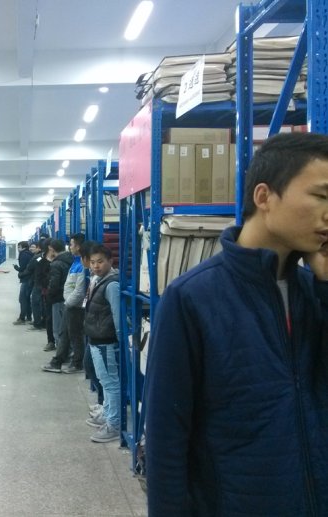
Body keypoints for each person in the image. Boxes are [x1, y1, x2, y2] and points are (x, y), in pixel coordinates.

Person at [145, 132, 328, 516]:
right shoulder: (192, 298)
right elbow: (166, 438)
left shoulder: (314, 292)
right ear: (264, 197)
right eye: (322, 197)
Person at [82, 243, 120, 443]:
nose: (96, 266)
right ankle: (107, 413)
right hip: (96, 339)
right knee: (105, 381)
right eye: (93, 262)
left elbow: (117, 316)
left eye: (100, 262)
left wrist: (122, 342)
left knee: (111, 383)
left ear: (110, 262)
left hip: (106, 341)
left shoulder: (111, 285)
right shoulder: (98, 280)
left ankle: (114, 425)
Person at [43, 233, 87, 374]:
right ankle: (58, 361)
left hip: (74, 305)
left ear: (78, 247)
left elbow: (79, 290)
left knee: (74, 335)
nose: (70, 247)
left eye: (72, 244)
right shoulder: (75, 261)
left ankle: (76, 364)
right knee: (65, 334)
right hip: (69, 304)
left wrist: (68, 302)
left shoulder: (82, 264)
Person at [42, 239, 72, 354]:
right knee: (66, 327)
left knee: (58, 328)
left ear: (51, 249)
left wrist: (49, 295)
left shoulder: (56, 264)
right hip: (68, 298)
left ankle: (62, 354)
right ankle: (67, 352)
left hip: (58, 299)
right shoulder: (71, 260)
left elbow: (54, 284)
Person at [13, 241, 34, 324]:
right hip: (30, 279)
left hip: (26, 279)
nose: (18, 249)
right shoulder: (30, 254)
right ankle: (28, 317)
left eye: (19, 247)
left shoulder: (23, 255)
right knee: (27, 299)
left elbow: (23, 268)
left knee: (23, 299)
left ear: (23, 247)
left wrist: (16, 268)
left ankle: (22, 318)